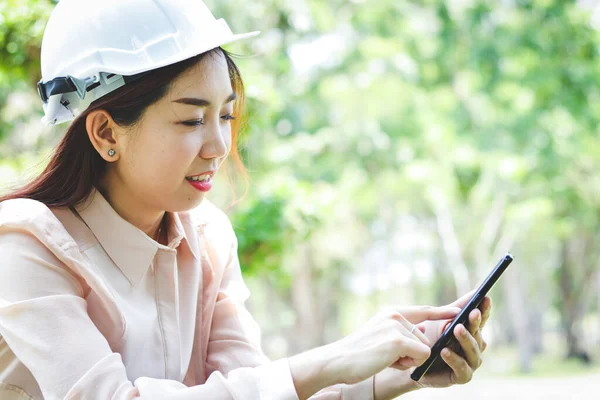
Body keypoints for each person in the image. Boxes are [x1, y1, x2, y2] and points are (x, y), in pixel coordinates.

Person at [0, 0, 491, 399]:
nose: (219, 147)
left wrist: (399, 372)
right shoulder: (24, 244)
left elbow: (252, 391)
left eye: (226, 117)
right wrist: (329, 360)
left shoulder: (207, 239)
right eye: (192, 119)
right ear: (106, 130)